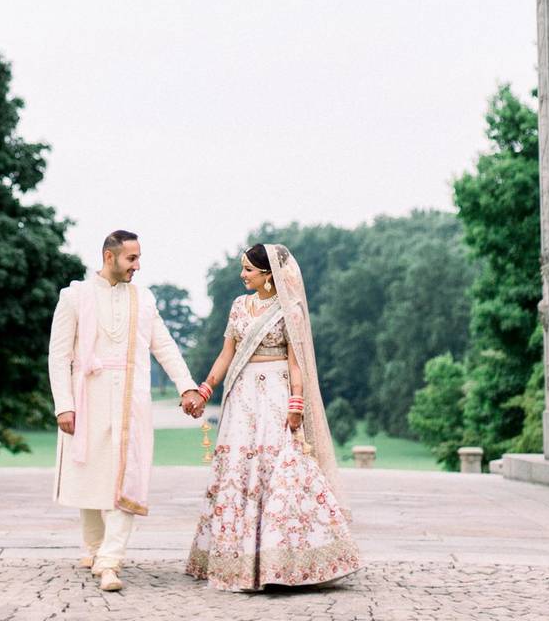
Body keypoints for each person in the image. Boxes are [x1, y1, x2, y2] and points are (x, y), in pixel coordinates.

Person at [185, 243, 360, 591]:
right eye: (243, 268)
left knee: (280, 472)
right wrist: (205, 389)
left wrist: (296, 404)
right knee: (240, 473)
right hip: (242, 398)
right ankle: (237, 562)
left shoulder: (289, 310)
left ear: (268, 274)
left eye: (248, 269)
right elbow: (226, 355)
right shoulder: (238, 306)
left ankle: (283, 563)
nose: (242, 275)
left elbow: (297, 363)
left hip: (276, 396)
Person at [48, 230, 205, 592]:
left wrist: (186, 386)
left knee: (127, 476)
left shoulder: (144, 299)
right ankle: (93, 546)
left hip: (131, 399)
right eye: (131, 258)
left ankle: (110, 559)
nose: (138, 265)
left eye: (138, 258)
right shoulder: (74, 297)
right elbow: (59, 356)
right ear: (109, 257)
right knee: (88, 472)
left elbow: (163, 344)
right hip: (86, 396)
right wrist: (64, 406)